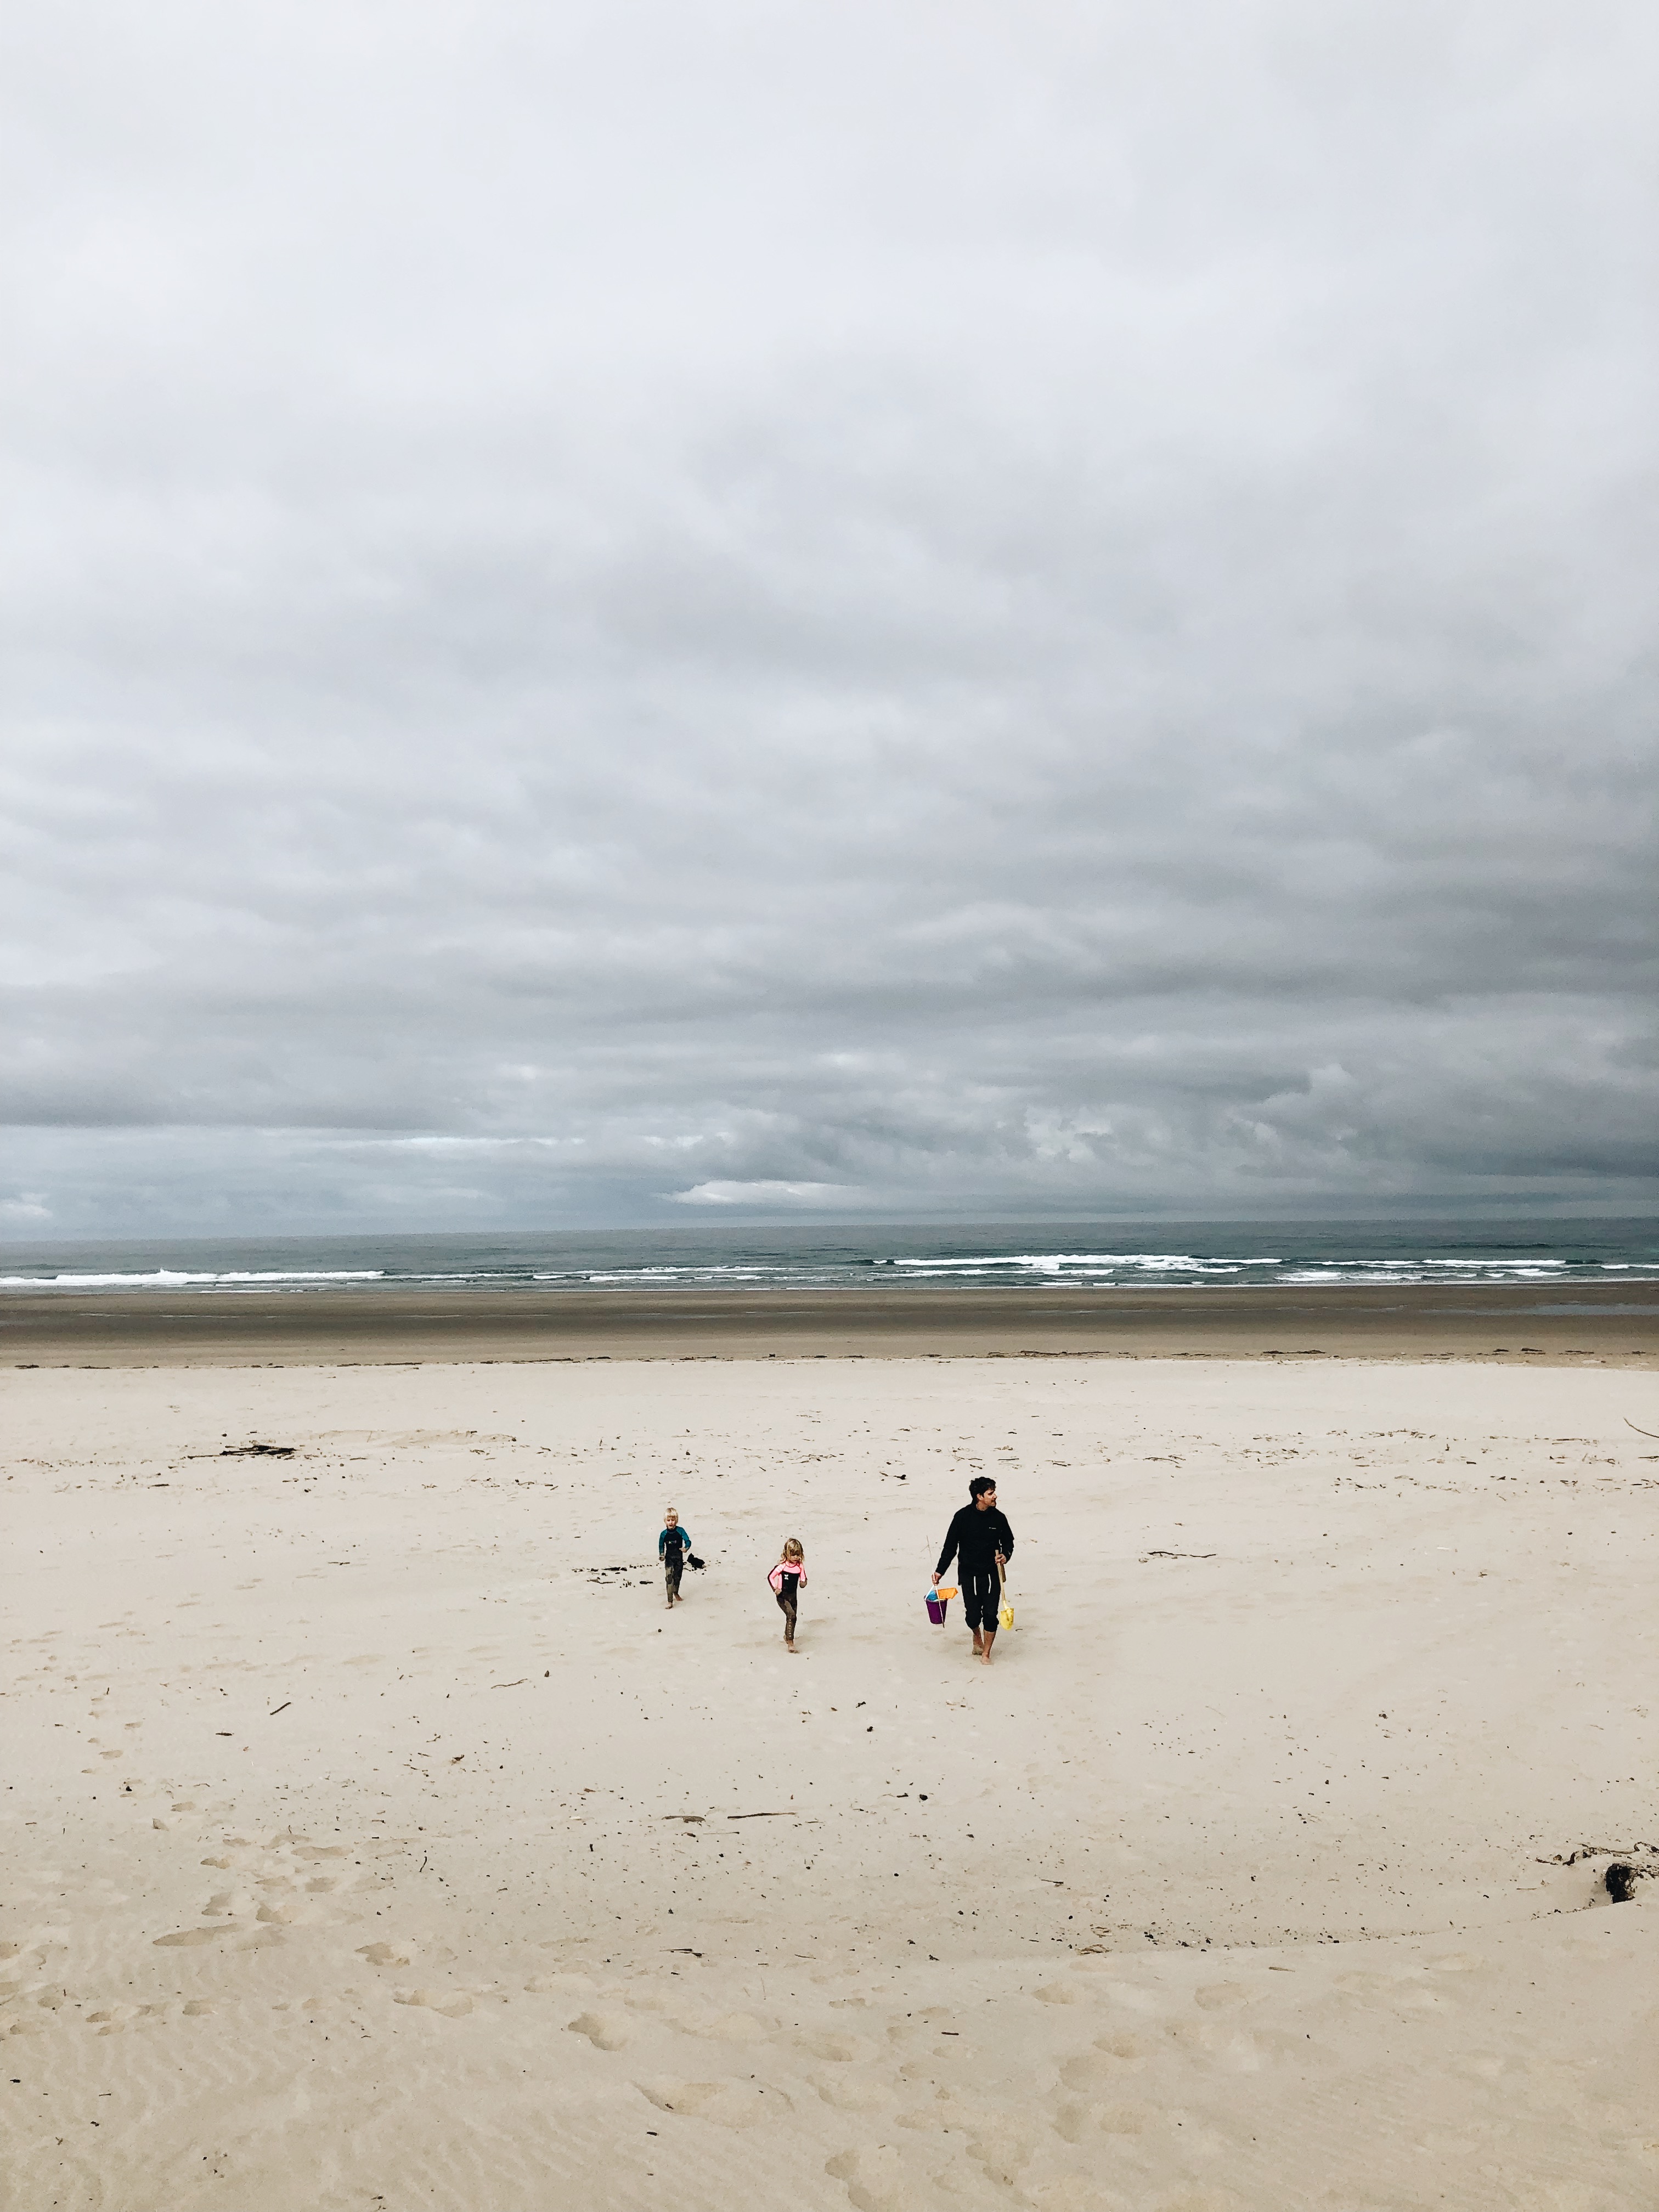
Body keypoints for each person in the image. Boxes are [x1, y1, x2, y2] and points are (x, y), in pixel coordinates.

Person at [933, 1477, 1014, 1664]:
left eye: (994, 1492)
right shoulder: (962, 1518)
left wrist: (1005, 1555)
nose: (995, 1496)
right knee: (973, 1615)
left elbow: (1008, 1542)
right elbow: (950, 1547)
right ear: (979, 1497)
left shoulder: (999, 1518)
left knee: (991, 1615)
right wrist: (940, 1571)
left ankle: (986, 1653)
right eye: (990, 1493)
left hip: (992, 1574)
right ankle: (976, 1636)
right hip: (969, 1574)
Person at [768, 1538, 807, 1652]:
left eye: (798, 1555)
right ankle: (791, 1642)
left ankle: (787, 1635)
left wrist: (803, 1583)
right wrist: (775, 1588)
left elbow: (803, 1578)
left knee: (793, 1618)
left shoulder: (800, 1567)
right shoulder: (782, 1567)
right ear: (787, 1554)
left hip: (793, 1597)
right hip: (783, 1597)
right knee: (791, 1615)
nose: (795, 1557)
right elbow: (771, 1576)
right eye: (793, 1555)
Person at [659, 1508, 692, 1609]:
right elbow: (661, 1545)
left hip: (678, 1558)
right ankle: (670, 1601)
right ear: (665, 1521)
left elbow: (688, 1541)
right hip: (669, 1559)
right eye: (668, 1520)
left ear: (676, 1520)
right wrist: (662, 1554)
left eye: (673, 1520)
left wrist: (686, 1548)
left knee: (677, 1578)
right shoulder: (664, 1534)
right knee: (669, 1579)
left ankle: (676, 1593)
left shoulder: (680, 1531)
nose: (671, 1522)